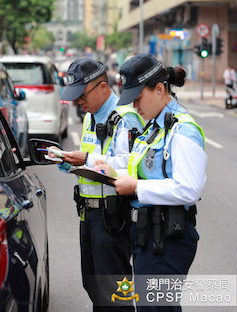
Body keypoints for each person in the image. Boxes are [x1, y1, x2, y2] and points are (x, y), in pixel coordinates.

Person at [101, 54, 207, 312]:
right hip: (150, 234)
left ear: (159, 89)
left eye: (138, 98)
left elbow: (189, 188)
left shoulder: (181, 129)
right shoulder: (155, 125)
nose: (135, 105)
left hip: (168, 237)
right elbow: (140, 165)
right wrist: (104, 166)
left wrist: (136, 187)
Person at [49, 58, 144, 311]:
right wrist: (71, 163)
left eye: (82, 94)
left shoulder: (124, 118)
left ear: (103, 87)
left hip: (113, 216)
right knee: (92, 284)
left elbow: (128, 166)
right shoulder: (91, 116)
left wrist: (88, 159)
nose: (78, 101)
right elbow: (96, 165)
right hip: (89, 214)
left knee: (114, 292)